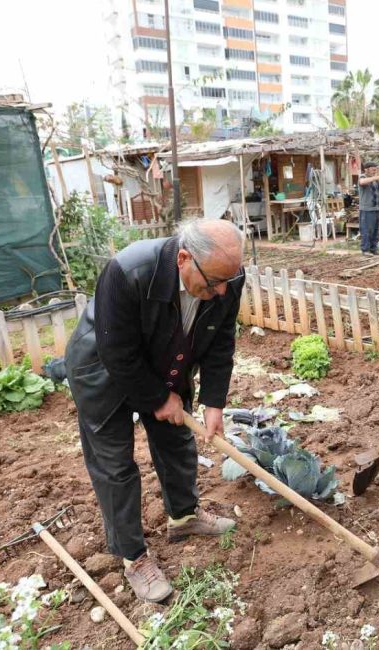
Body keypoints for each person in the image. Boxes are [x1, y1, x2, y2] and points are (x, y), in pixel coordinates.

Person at [66, 218, 245, 603]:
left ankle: (183, 517)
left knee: (177, 440)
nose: (220, 292)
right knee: (115, 465)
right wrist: (159, 398)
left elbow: (221, 340)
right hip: (102, 369)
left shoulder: (226, 278)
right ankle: (134, 558)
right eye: (213, 283)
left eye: (227, 282)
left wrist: (215, 401)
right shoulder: (129, 271)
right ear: (183, 258)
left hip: (167, 357)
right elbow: (118, 352)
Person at [357, 162, 379, 255]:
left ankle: (374, 249)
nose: (374, 171)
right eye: (372, 170)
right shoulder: (362, 177)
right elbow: (362, 182)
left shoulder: (375, 180)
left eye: (375, 170)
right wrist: (375, 177)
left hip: (376, 208)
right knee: (366, 230)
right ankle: (365, 250)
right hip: (366, 209)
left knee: (375, 230)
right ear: (366, 170)